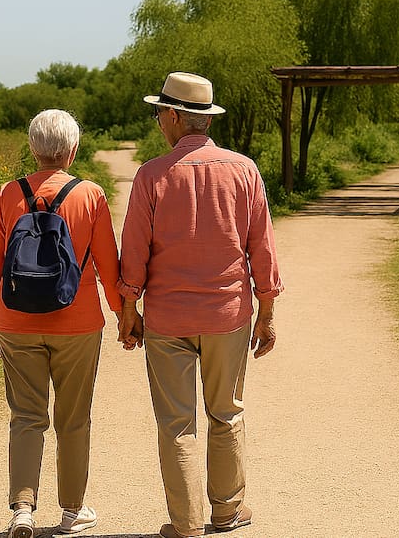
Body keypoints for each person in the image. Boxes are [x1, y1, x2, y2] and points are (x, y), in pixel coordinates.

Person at [116, 72, 282, 538]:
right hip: (228, 315)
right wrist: (266, 312)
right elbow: (262, 248)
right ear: (203, 119)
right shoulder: (244, 170)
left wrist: (129, 309)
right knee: (226, 411)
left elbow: (134, 252)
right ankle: (227, 511)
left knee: (176, 423)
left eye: (158, 114)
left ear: (172, 116)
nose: (157, 122)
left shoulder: (151, 175)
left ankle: (185, 524)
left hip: (168, 320)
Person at [0, 109, 123, 538]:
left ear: (32, 148)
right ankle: (72, 512)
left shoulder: (8, 194)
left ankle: (23, 509)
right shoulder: (90, 195)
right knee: (74, 419)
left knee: (26, 416)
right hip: (77, 324)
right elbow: (107, 268)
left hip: (16, 321)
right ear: (72, 151)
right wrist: (124, 315)